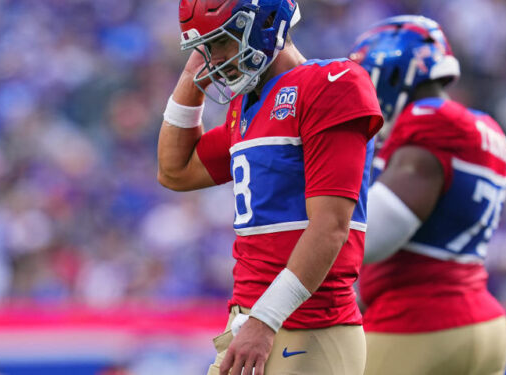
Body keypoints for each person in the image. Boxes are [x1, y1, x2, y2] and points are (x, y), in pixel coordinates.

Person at [157, 1, 383, 374]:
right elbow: (174, 170)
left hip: (306, 327)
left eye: (221, 44)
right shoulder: (247, 105)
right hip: (255, 321)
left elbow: (330, 227)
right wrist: (192, 69)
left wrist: (265, 320)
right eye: (206, 49)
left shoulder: (329, 84)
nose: (214, 61)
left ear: (265, 26)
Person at [349, 15, 506, 375]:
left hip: (418, 323)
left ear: (393, 74)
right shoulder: (486, 126)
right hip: (484, 323)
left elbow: (368, 238)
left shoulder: (428, 121)